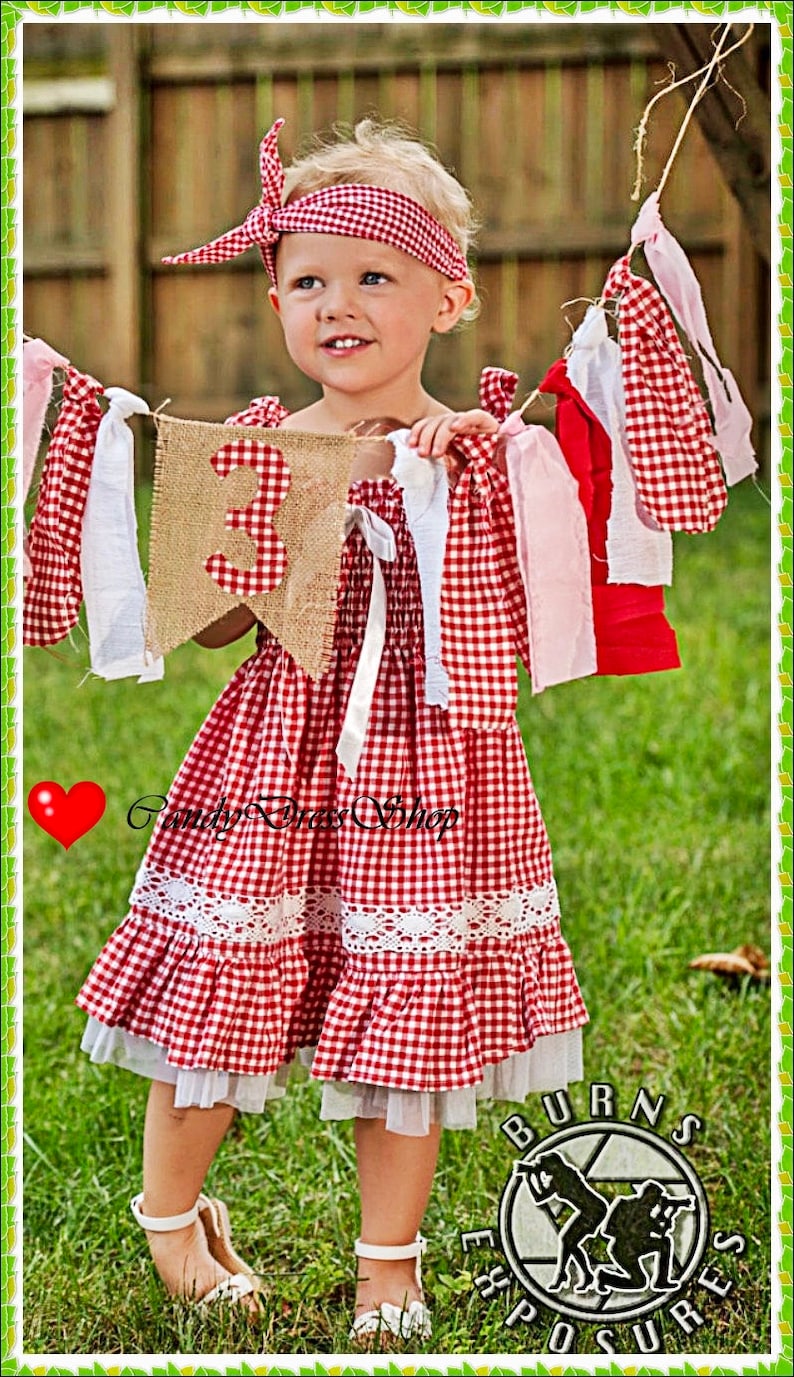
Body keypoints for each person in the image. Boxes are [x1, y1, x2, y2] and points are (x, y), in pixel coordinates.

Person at [76, 117, 588, 1343]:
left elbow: (522, 618)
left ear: (446, 298)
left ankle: (387, 1267)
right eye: (307, 280)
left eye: (372, 277)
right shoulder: (267, 443)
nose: (335, 303)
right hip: (274, 761)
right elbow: (205, 634)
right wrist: (274, 508)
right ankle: (170, 1220)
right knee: (220, 987)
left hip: (429, 763)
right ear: (277, 302)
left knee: (409, 1006)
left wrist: (463, 482)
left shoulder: (476, 455)